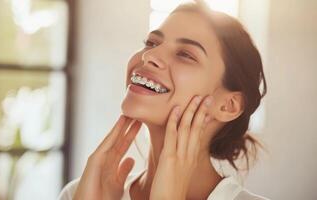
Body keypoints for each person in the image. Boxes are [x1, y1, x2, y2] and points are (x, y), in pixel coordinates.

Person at [58, 1, 269, 199]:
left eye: (185, 54)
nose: (149, 56)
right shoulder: (82, 192)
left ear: (228, 106)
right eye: (151, 43)